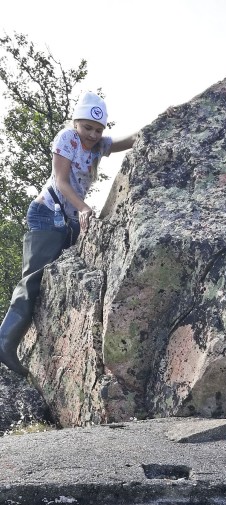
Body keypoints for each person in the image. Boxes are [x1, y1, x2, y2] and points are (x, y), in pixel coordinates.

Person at [0, 91, 138, 376]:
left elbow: (130, 140)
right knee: (33, 281)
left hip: (70, 221)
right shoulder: (67, 138)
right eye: (87, 126)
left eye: (98, 129)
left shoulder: (99, 145)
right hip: (47, 214)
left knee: (58, 284)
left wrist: (164, 120)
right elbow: (61, 182)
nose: (92, 133)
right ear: (77, 122)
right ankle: (4, 341)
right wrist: (85, 208)